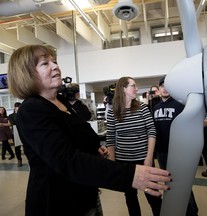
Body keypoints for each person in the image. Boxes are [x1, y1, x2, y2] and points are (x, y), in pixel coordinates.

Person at [7, 45, 171, 216]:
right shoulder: (32, 110)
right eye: (45, 63)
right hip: (60, 203)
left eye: (54, 61)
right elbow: (67, 159)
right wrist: (130, 175)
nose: (55, 66)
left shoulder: (62, 101)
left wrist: (94, 149)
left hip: (85, 194)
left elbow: (79, 133)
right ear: (26, 74)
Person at [106, 76, 162, 216]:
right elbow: (110, 138)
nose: (136, 88)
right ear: (123, 89)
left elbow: (152, 131)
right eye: (133, 85)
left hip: (144, 159)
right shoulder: (114, 111)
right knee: (130, 197)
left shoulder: (142, 107)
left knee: (153, 195)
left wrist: (149, 158)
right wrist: (112, 164)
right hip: (124, 162)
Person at [152, 76, 199, 216]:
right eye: (162, 86)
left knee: (183, 184)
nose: (165, 88)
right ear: (159, 89)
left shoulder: (181, 105)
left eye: (167, 86)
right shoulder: (155, 108)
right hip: (162, 152)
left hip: (178, 152)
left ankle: (192, 212)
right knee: (168, 183)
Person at [8, 102, 23, 167]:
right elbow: (13, 123)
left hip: (24, 132)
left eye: (20, 106)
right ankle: (19, 159)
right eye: (17, 106)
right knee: (17, 147)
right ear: (15, 107)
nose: (19, 108)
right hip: (16, 132)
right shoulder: (11, 115)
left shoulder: (24, 114)